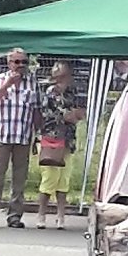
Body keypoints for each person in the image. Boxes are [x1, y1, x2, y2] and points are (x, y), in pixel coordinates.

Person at [0, 48, 40, 229]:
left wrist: (37, 135)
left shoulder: (32, 82)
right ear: (9, 63)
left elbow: (36, 111)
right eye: (17, 62)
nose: (21, 65)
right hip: (2, 136)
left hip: (23, 136)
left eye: (24, 62)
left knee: (19, 179)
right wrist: (7, 84)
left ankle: (14, 216)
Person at [36, 61, 85, 229]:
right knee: (49, 178)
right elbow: (53, 116)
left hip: (68, 140)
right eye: (59, 76)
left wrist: (76, 115)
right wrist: (69, 116)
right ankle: (41, 214)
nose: (63, 79)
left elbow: (81, 113)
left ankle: (61, 215)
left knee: (64, 180)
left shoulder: (74, 92)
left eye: (64, 75)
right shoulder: (50, 92)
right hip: (51, 140)